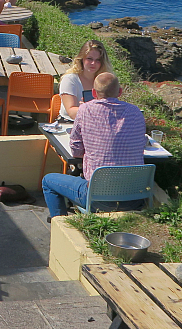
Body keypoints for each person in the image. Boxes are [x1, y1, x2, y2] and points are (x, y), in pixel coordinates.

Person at [41, 72, 147, 219]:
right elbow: (140, 143)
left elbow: (76, 151)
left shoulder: (85, 110)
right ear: (120, 92)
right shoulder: (135, 112)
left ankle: (60, 223)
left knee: (48, 181)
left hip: (98, 198)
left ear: (93, 92)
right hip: (135, 198)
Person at [59, 39, 114, 120]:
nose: (93, 63)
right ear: (82, 59)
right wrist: (89, 109)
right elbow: (71, 112)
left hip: (98, 123)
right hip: (70, 123)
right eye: (89, 59)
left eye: (98, 60)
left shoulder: (105, 81)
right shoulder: (70, 80)